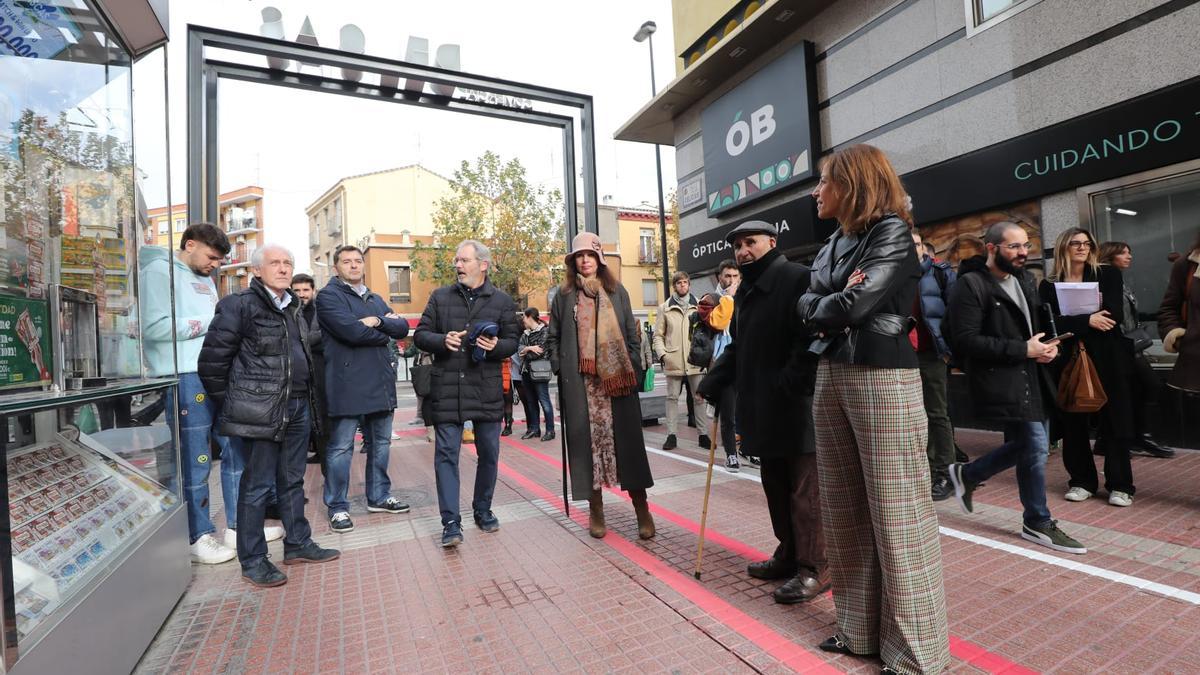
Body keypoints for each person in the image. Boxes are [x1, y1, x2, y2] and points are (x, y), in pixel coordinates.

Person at [797, 144, 949, 674]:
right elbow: (813, 301)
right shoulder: (835, 241)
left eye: (823, 182)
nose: (816, 192)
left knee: (897, 512)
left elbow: (853, 305)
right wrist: (832, 299)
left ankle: (915, 653)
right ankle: (858, 630)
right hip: (832, 370)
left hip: (883, 375)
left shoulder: (890, 231)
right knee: (844, 508)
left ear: (852, 183)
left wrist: (831, 301)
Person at [698, 221, 826, 605]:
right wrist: (714, 382)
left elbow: (811, 341)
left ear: (772, 242)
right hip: (764, 408)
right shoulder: (747, 290)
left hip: (796, 405)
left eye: (750, 243)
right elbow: (739, 348)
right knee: (774, 487)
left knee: (805, 493)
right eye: (737, 245)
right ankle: (788, 554)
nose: (742, 251)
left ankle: (815, 567)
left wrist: (789, 383)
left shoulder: (798, 278)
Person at [198, 245, 340, 587]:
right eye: (274, 263)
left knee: (292, 480)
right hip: (261, 411)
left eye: (287, 263)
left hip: (297, 406)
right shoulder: (239, 305)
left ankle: (298, 543)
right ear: (257, 271)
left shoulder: (294, 306)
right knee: (257, 484)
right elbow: (212, 364)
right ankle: (253, 558)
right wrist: (240, 404)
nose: (282, 268)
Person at [140, 223, 280, 564]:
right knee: (195, 458)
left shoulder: (204, 278)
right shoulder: (157, 273)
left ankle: (238, 525)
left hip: (219, 371)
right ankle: (197, 534)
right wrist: (211, 322)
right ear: (189, 245)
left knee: (235, 448)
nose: (215, 265)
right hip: (184, 375)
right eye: (212, 257)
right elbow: (153, 327)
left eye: (220, 260)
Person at [945, 222, 1087, 554]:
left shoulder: (1026, 279)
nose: (1024, 252)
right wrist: (1022, 350)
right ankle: (1038, 520)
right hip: (1003, 380)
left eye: (1026, 246)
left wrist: (1048, 347)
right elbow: (965, 340)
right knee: (1035, 447)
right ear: (992, 248)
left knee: (1033, 449)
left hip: (1035, 377)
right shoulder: (971, 284)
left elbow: (1033, 330)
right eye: (1014, 247)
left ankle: (970, 478)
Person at [547, 232, 655, 540]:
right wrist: (560, 365)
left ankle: (641, 508)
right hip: (582, 386)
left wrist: (630, 368)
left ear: (599, 260)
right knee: (588, 448)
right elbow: (552, 337)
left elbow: (633, 337)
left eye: (590, 255)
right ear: (573, 262)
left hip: (616, 384)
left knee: (628, 449)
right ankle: (596, 509)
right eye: (579, 256)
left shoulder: (617, 291)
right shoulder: (564, 295)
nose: (585, 261)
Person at [413, 240, 520, 547]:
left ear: (483, 265)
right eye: (456, 260)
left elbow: (513, 339)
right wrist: (440, 340)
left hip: (485, 388)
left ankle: (483, 510)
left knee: (489, 453)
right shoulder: (439, 296)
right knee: (445, 456)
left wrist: (496, 347)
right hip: (447, 388)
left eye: (464, 260)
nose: (457, 265)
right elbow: (421, 334)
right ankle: (450, 523)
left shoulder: (501, 301)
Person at [316, 245, 412, 533]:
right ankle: (337, 506)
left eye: (358, 261)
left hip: (381, 383)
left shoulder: (375, 298)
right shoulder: (328, 296)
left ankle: (379, 496)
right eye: (347, 261)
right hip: (346, 385)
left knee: (381, 444)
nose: (354, 265)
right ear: (336, 268)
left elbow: (402, 328)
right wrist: (382, 332)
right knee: (341, 448)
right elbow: (351, 332)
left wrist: (377, 321)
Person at [1039, 228, 1137, 507]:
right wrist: (1088, 321)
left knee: (1116, 420)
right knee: (1073, 422)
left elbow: (1114, 315)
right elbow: (1048, 325)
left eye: (1087, 243)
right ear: (1063, 248)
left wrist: (1073, 320)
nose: (1082, 248)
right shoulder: (1049, 284)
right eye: (1075, 243)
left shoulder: (1107, 274)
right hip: (1069, 358)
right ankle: (1082, 481)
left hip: (1109, 357)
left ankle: (1121, 485)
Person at [1094, 242, 1174, 458]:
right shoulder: (1103, 280)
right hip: (1120, 345)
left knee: (1138, 389)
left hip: (1131, 344)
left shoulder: (1121, 280)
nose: (1129, 257)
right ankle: (1139, 437)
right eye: (1123, 253)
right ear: (1111, 256)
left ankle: (1126, 437)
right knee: (1149, 386)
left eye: (1129, 252)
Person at [910, 229, 958, 500]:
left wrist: (949, 350)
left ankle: (945, 474)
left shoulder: (939, 273)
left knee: (937, 414)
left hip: (932, 354)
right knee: (913, 419)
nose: (914, 248)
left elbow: (955, 310)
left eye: (917, 244)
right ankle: (924, 472)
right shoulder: (895, 274)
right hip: (902, 356)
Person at [653, 272, 710, 450]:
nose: (683, 286)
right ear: (674, 286)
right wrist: (663, 355)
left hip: (695, 360)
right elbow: (658, 336)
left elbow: (707, 332)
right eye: (679, 283)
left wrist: (705, 354)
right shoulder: (665, 308)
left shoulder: (699, 305)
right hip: (673, 359)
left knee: (699, 398)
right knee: (671, 398)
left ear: (689, 285)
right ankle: (671, 435)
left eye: (685, 282)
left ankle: (703, 435)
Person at [292, 273, 330, 469]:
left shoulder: (322, 311)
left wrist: (302, 340)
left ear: (313, 291)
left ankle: (329, 477)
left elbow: (325, 335)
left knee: (324, 426)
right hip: (297, 379)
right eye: (297, 290)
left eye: (306, 290)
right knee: (298, 432)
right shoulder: (287, 312)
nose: (301, 294)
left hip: (320, 375)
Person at [711, 260, 742, 472]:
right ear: (719, 277)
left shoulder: (746, 297)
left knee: (748, 409)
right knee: (728, 412)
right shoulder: (710, 299)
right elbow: (719, 323)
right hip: (723, 363)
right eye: (727, 276)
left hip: (746, 361)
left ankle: (748, 448)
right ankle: (731, 453)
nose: (731, 280)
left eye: (735, 276)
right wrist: (729, 298)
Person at [517, 307, 555, 441]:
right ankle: (534, 429)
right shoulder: (525, 334)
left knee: (544, 401)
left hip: (539, 372)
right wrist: (529, 348)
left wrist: (526, 351)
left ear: (529, 317)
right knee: (531, 401)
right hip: (526, 371)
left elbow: (540, 352)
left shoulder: (544, 332)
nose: (523, 321)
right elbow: (519, 350)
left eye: (523, 317)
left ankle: (550, 430)